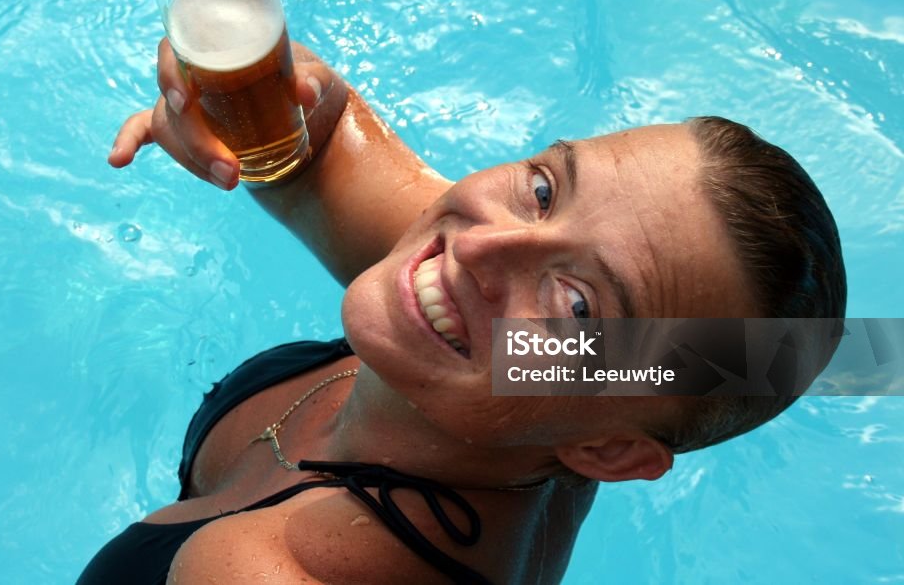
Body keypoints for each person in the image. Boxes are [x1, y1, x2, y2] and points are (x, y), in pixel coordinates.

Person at [79, 40, 846, 584]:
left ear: (610, 453)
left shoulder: (277, 571)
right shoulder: (555, 375)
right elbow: (307, 151)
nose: (484, 245)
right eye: (546, 186)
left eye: (577, 303)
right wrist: (248, 115)